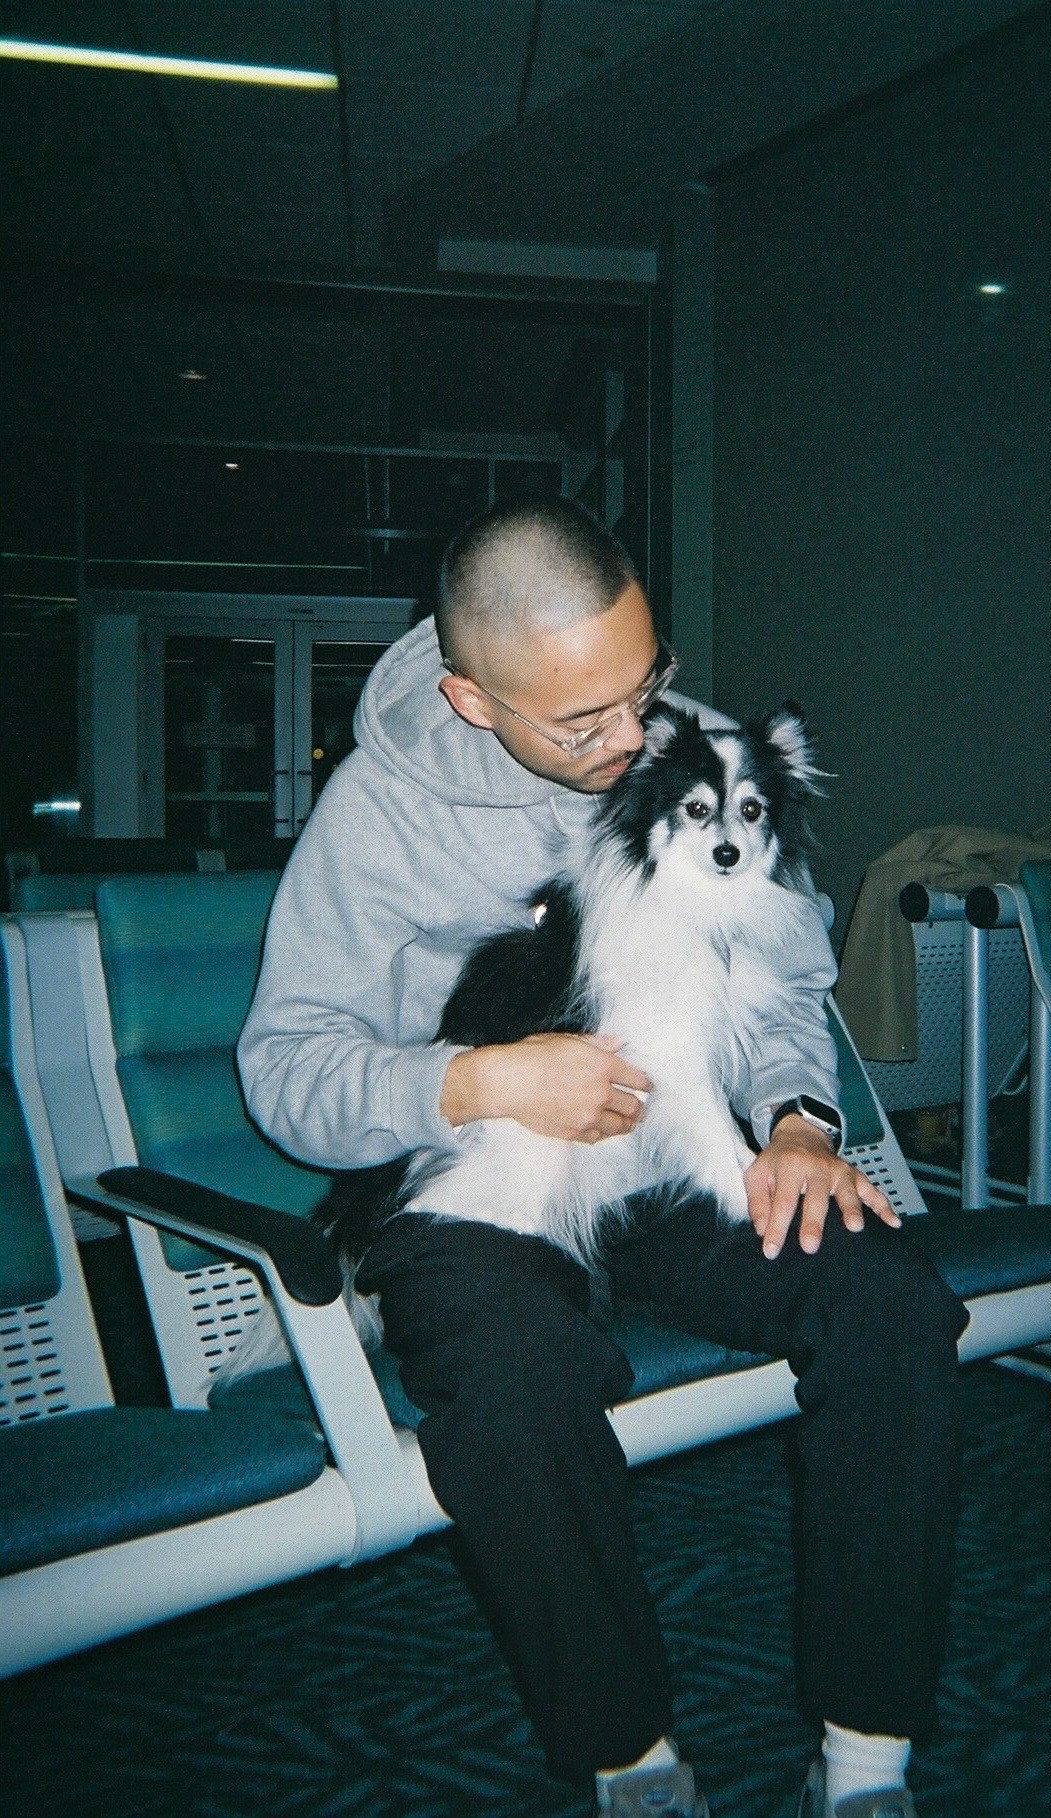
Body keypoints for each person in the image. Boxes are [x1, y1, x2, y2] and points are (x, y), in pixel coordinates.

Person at [238, 495, 968, 1818]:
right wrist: (473, 1078)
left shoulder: (679, 742)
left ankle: (865, 1762)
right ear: (471, 698)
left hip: (671, 1149)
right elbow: (284, 1072)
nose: (638, 740)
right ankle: (630, 1756)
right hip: (475, 1183)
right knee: (517, 1381)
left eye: (649, 685)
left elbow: (789, 969)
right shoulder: (376, 815)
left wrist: (801, 1119)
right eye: (584, 721)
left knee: (887, 1297)